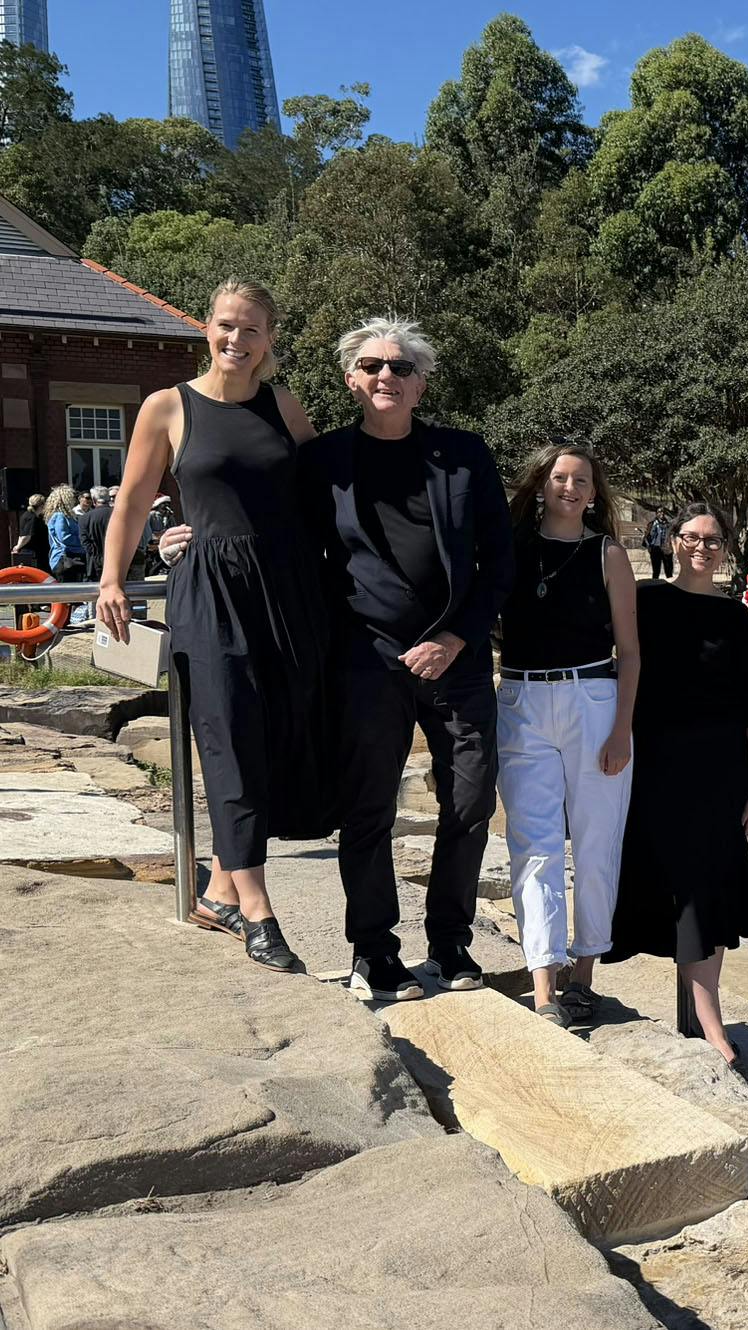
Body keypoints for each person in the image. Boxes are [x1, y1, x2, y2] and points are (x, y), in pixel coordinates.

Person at [96, 279, 329, 975]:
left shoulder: (282, 404)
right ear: (206, 328)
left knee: (278, 737)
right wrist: (114, 576)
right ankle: (259, 908)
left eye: (252, 329)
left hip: (287, 590)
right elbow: (134, 501)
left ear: (269, 341)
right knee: (225, 737)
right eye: (226, 325)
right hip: (209, 590)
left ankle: (224, 887)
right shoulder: (167, 406)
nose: (237, 339)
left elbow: (324, 490)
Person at [301, 318, 515, 1002]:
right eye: (372, 366)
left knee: (472, 801)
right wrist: (185, 542)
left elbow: (498, 561)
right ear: (351, 380)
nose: (385, 375)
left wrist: (455, 637)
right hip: (367, 661)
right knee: (368, 811)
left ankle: (451, 943)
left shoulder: (463, 456)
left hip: (456, 656)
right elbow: (280, 540)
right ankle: (375, 950)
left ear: (420, 383)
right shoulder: (324, 460)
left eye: (400, 367)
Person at [607, 502, 748, 1075]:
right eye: (692, 537)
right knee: (638, 874)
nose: (703, 546)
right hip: (653, 761)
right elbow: (619, 671)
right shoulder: (646, 601)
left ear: (726, 548)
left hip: (719, 768)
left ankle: (708, 1016)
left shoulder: (735, 617)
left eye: (714, 539)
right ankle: (573, 984)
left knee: (707, 887)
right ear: (672, 541)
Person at [498, 440, 639, 1025]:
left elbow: (630, 652)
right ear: (541, 484)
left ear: (594, 492)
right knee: (533, 843)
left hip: (594, 699)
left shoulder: (607, 554)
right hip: (523, 695)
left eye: (582, 480)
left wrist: (622, 729)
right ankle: (544, 985)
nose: (571, 488)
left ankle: (584, 973)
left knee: (597, 840)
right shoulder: (510, 548)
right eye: (560, 477)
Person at [11, 493, 49, 570]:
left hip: (37, 553)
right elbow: (26, 536)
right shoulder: (31, 517)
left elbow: (21, 535)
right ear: (42, 505)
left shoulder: (28, 515)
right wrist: (17, 547)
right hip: (34, 554)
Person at [83, 486, 113, 581]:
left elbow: (85, 543)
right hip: (117, 562)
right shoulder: (118, 514)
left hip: (95, 565)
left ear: (94, 499)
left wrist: (97, 557)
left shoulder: (85, 518)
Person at [644, 508, 674, 579]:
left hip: (666, 549)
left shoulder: (668, 524)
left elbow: (672, 536)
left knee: (669, 571)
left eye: (663, 512)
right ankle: (654, 585)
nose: (662, 514)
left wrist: (671, 547)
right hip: (655, 548)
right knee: (656, 571)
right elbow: (647, 536)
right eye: (660, 512)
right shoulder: (652, 524)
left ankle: (670, 586)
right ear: (656, 514)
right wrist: (649, 547)